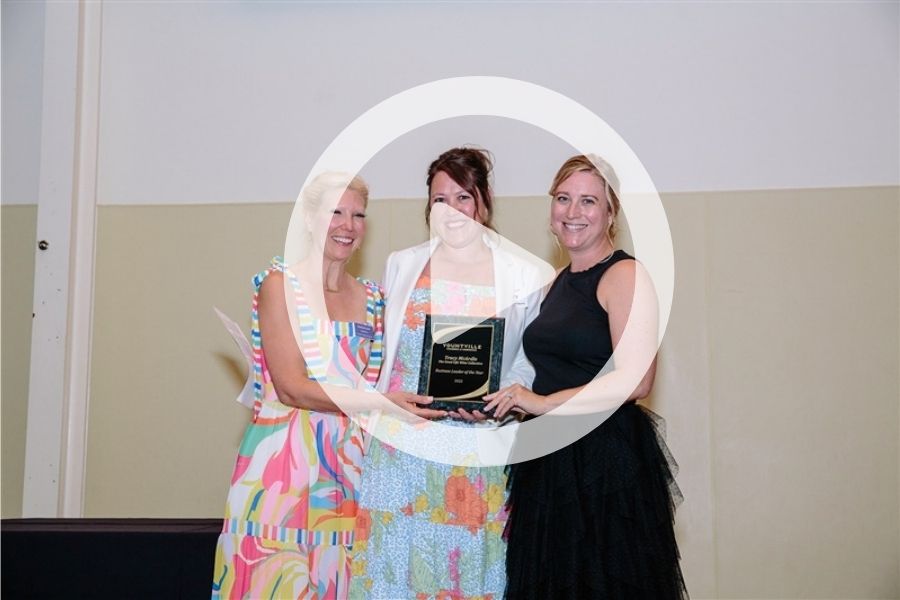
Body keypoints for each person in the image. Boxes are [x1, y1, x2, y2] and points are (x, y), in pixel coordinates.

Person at [211, 172, 439, 599]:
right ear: (311, 220)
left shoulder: (375, 299)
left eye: (357, 215)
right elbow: (292, 388)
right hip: (282, 471)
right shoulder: (279, 287)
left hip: (351, 473)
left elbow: (401, 366)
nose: (347, 225)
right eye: (336, 212)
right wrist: (381, 402)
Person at [484, 155, 688, 599]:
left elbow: (637, 381)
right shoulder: (556, 281)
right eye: (563, 199)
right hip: (548, 461)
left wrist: (539, 402)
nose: (573, 212)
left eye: (588, 201)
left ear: (611, 213)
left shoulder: (625, 275)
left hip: (601, 462)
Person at [349, 148, 545, 599]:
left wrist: (502, 404)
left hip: (474, 455)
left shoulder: (523, 273)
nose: (453, 211)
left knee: (468, 577)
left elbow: (527, 360)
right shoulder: (403, 263)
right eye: (441, 200)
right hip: (402, 452)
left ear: (484, 200)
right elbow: (386, 351)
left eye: (463, 198)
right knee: (394, 575)